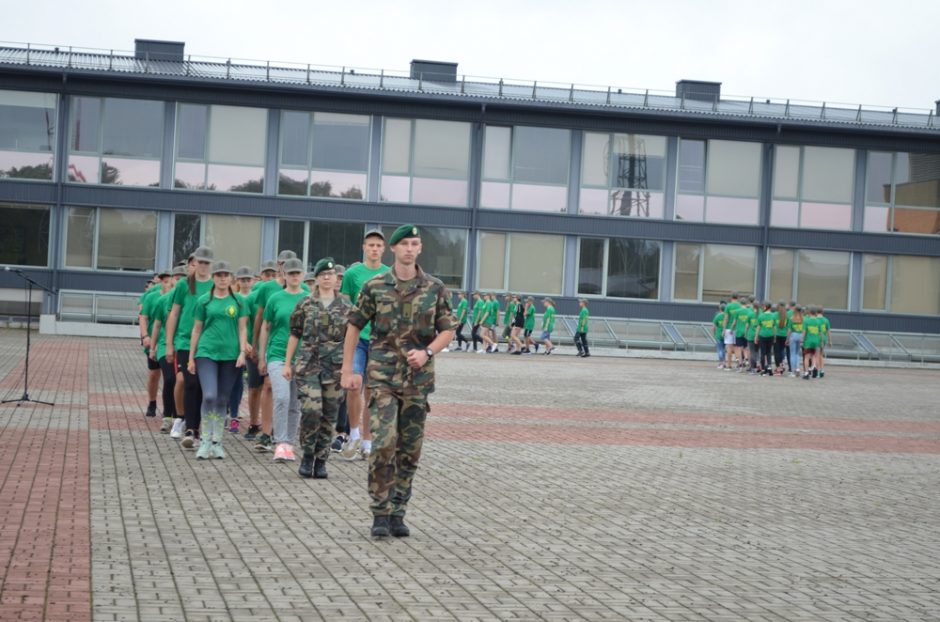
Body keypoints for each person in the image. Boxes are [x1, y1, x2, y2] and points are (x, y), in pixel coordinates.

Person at [341, 224, 456, 538]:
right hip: (382, 378)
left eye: (414, 243)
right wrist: (347, 369)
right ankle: (380, 511)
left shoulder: (435, 288)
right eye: (403, 243)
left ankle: (398, 512)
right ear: (393, 248)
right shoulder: (375, 286)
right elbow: (354, 326)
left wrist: (428, 352)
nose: (409, 248)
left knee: (409, 449)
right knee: (383, 444)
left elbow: (448, 328)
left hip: (418, 380)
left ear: (420, 249)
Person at [284, 258, 351, 479]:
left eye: (330, 275)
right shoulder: (305, 304)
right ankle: (307, 456)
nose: (326, 278)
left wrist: (351, 367)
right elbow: (295, 334)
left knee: (330, 415)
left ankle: (322, 460)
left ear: (336, 279)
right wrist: (287, 364)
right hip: (309, 366)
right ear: (316, 279)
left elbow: (353, 337)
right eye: (322, 274)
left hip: (335, 368)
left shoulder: (347, 306)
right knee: (312, 411)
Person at [187, 261, 249, 459]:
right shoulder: (204, 301)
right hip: (206, 352)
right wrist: (190, 358)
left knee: (223, 399)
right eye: (219, 275)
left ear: (231, 279)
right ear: (214, 278)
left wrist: (242, 352)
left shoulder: (238, 301)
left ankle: (217, 441)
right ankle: (204, 440)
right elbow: (196, 329)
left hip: (230, 356)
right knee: (210, 396)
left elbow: (242, 328)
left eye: (226, 275)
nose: (222, 278)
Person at [339, 230, 390, 461]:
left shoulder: (389, 274)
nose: (374, 249)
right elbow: (344, 305)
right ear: (364, 247)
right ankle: (354, 433)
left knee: (371, 391)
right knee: (352, 385)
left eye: (379, 245)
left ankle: (368, 441)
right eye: (371, 245)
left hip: (379, 339)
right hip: (358, 338)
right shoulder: (352, 274)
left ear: (384, 248)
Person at [165, 246, 214, 448]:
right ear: (193, 264)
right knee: (189, 382)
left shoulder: (215, 285)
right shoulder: (184, 285)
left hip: (207, 343)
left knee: (204, 386)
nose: (202, 266)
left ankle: (199, 427)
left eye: (206, 262)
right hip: (186, 341)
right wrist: (169, 344)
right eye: (199, 262)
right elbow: (174, 314)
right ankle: (190, 428)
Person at [259, 258, 307, 461]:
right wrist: (262, 355)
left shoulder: (309, 298)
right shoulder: (275, 298)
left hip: (302, 356)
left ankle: (289, 443)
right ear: (284, 275)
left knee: (295, 402)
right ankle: (279, 442)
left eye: (298, 273)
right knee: (281, 397)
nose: (294, 276)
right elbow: (265, 326)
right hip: (278, 354)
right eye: (291, 273)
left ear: (302, 275)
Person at [148, 266, 184, 433]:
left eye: (183, 278)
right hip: (165, 345)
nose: (179, 281)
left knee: (182, 381)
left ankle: (180, 416)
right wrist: (152, 348)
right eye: (176, 278)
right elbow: (156, 325)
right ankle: (167, 416)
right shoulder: (163, 300)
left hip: (183, 345)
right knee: (170, 379)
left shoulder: (193, 299)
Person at [138, 273, 165, 417]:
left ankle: (170, 406)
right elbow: (143, 316)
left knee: (171, 377)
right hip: (154, 340)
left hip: (170, 341)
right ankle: (152, 402)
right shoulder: (152, 294)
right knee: (154, 373)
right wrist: (145, 336)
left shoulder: (179, 292)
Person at [802, 306, 822, 379]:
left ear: (809, 312)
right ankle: (813, 368)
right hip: (816, 341)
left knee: (806, 357)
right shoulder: (818, 321)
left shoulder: (806, 321)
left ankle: (806, 373)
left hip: (808, 341)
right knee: (814, 355)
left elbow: (804, 332)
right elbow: (820, 333)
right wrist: (821, 341)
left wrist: (802, 340)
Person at [756, 301, 776, 375]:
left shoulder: (761, 316)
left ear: (766, 307)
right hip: (770, 335)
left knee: (763, 353)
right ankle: (769, 367)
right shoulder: (773, 316)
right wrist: (774, 336)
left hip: (762, 335)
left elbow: (758, 327)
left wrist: (756, 336)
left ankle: (763, 369)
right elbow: (774, 327)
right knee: (768, 352)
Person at [787, 305, 805, 378]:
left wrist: (787, 339)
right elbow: (804, 329)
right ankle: (797, 368)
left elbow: (789, 330)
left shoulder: (792, 318)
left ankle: (793, 371)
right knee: (797, 353)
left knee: (792, 354)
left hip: (793, 335)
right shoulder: (803, 319)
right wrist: (803, 338)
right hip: (800, 335)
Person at [712, 301, 726, 369]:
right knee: (724, 349)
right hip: (726, 334)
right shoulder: (727, 316)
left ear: (720, 309)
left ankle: (721, 362)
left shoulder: (717, 316)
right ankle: (724, 362)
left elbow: (714, 327)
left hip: (719, 334)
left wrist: (714, 334)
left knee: (720, 349)